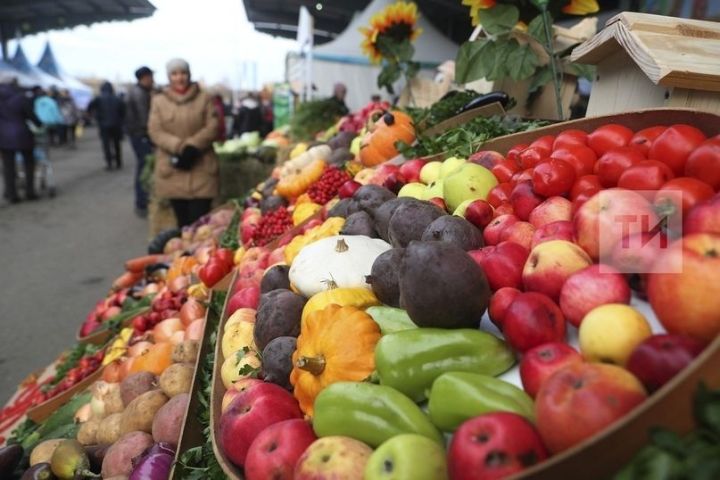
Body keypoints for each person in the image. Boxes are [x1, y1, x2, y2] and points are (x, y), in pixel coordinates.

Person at [148, 58, 219, 228]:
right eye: (174, 74)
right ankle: (185, 255)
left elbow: (213, 125)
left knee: (201, 224)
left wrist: (193, 146)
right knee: (183, 224)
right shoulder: (159, 101)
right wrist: (179, 147)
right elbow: (155, 130)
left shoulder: (204, 98)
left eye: (183, 73)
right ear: (169, 77)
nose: (179, 78)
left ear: (189, 74)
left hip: (202, 168)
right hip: (173, 170)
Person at [0, 78, 40, 202]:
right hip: (23, 133)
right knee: (28, 163)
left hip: (4, 136)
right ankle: (30, 191)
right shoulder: (21, 97)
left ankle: (12, 194)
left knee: (8, 166)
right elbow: (31, 115)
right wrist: (39, 125)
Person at [125, 66, 155, 217]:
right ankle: (142, 202)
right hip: (140, 135)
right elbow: (145, 119)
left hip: (138, 134)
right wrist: (152, 136)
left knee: (144, 166)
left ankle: (143, 200)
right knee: (143, 168)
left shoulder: (139, 92)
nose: (153, 80)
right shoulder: (139, 94)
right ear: (145, 77)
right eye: (151, 77)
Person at [88, 81, 125, 170]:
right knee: (116, 144)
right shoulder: (117, 98)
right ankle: (118, 162)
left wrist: (95, 116)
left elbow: (89, 107)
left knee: (106, 145)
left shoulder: (98, 98)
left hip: (104, 125)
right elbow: (123, 111)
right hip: (116, 125)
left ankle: (109, 163)